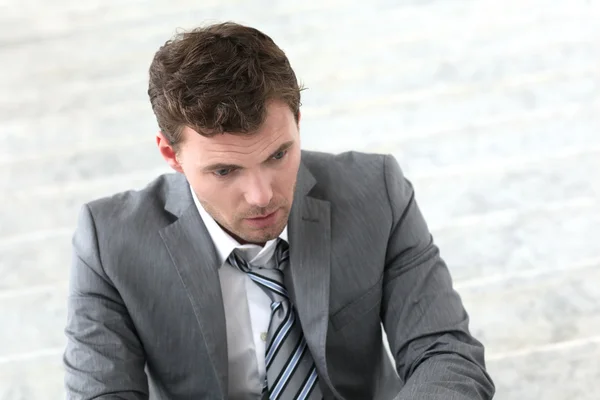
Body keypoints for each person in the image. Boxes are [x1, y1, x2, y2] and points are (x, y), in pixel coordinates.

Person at [63, 22, 495, 400]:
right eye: (225, 170)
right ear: (171, 155)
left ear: (298, 122)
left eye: (278, 155)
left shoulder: (375, 190)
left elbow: (444, 352)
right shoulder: (110, 241)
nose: (261, 196)